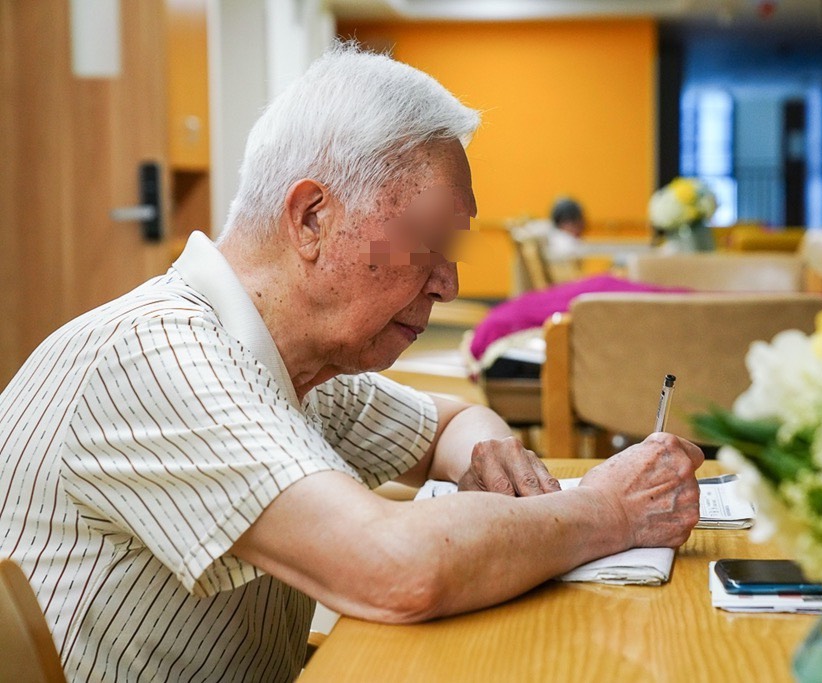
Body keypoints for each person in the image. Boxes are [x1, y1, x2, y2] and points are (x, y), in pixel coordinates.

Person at [0, 43, 702, 682]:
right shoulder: (158, 358)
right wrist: (607, 508)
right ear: (311, 218)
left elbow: (450, 421)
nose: (448, 284)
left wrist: (488, 452)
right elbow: (395, 569)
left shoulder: (297, 362)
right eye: (425, 244)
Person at [544, 196, 587, 261]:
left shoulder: (553, 238)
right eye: (580, 222)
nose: (583, 226)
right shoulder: (567, 244)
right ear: (567, 223)